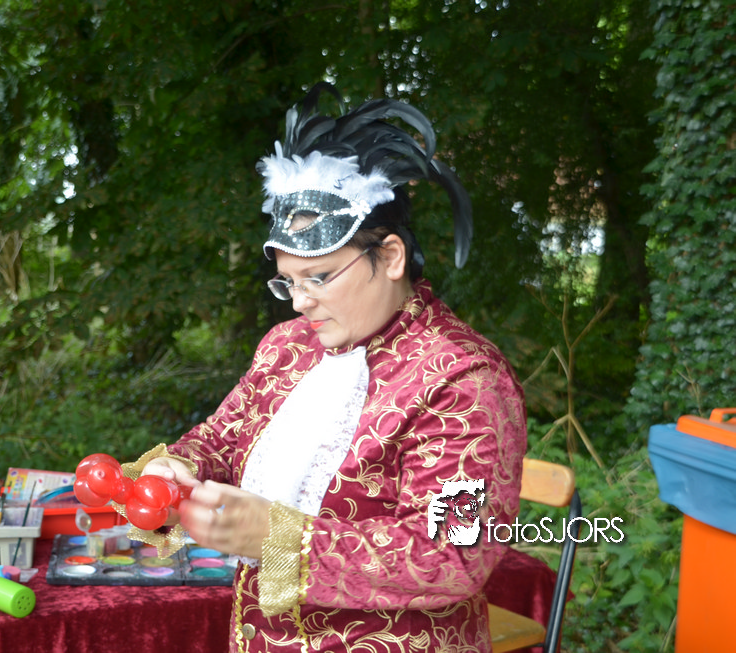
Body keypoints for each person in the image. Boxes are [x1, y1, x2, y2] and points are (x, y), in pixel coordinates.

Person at [123, 83, 527, 652]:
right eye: (288, 281)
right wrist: (175, 469)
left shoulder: (462, 379)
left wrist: (278, 538)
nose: (299, 302)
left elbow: (453, 555)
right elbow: (221, 439)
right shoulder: (287, 346)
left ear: (390, 256)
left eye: (318, 277)